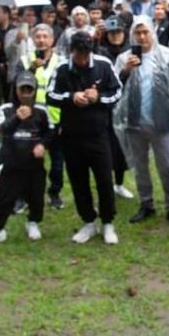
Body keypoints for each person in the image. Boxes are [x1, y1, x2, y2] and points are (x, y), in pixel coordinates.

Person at [46, 31, 123, 245]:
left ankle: (107, 222)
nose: (82, 59)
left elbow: (117, 91)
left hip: (99, 134)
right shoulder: (62, 68)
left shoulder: (103, 65)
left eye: (86, 55)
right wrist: (71, 97)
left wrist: (99, 98)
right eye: (79, 55)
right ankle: (88, 220)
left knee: (104, 179)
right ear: (72, 51)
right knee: (78, 180)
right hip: (71, 135)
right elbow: (49, 95)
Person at [114, 16, 169, 225]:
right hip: (134, 121)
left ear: (152, 33)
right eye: (137, 33)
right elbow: (114, 88)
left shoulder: (167, 55)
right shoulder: (124, 58)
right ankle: (146, 204)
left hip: (160, 121)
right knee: (140, 166)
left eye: (145, 32)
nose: (142, 37)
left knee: (167, 167)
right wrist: (126, 71)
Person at [0, 72, 51, 246]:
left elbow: (50, 133)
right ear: (16, 90)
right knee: (5, 197)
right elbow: (1, 130)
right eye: (22, 89)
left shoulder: (41, 110)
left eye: (29, 89)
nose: (25, 93)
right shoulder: (5, 109)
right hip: (12, 162)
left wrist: (42, 145)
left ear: (34, 90)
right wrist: (17, 117)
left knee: (36, 196)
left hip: (34, 164)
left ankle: (33, 222)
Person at [20, 24, 68, 210]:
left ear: (52, 39)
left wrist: (65, 120)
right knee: (28, 160)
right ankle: (25, 195)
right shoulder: (25, 60)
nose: (41, 40)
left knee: (57, 162)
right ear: (33, 39)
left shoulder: (61, 61)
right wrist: (31, 70)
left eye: (45, 36)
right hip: (32, 119)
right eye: (38, 36)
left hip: (56, 119)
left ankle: (54, 193)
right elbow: (16, 84)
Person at [95, 17, 135, 200]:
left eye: (118, 32)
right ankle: (106, 184)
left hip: (127, 106)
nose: (116, 36)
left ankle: (118, 184)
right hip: (105, 106)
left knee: (121, 148)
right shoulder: (101, 52)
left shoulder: (131, 51)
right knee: (105, 148)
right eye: (112, 33)